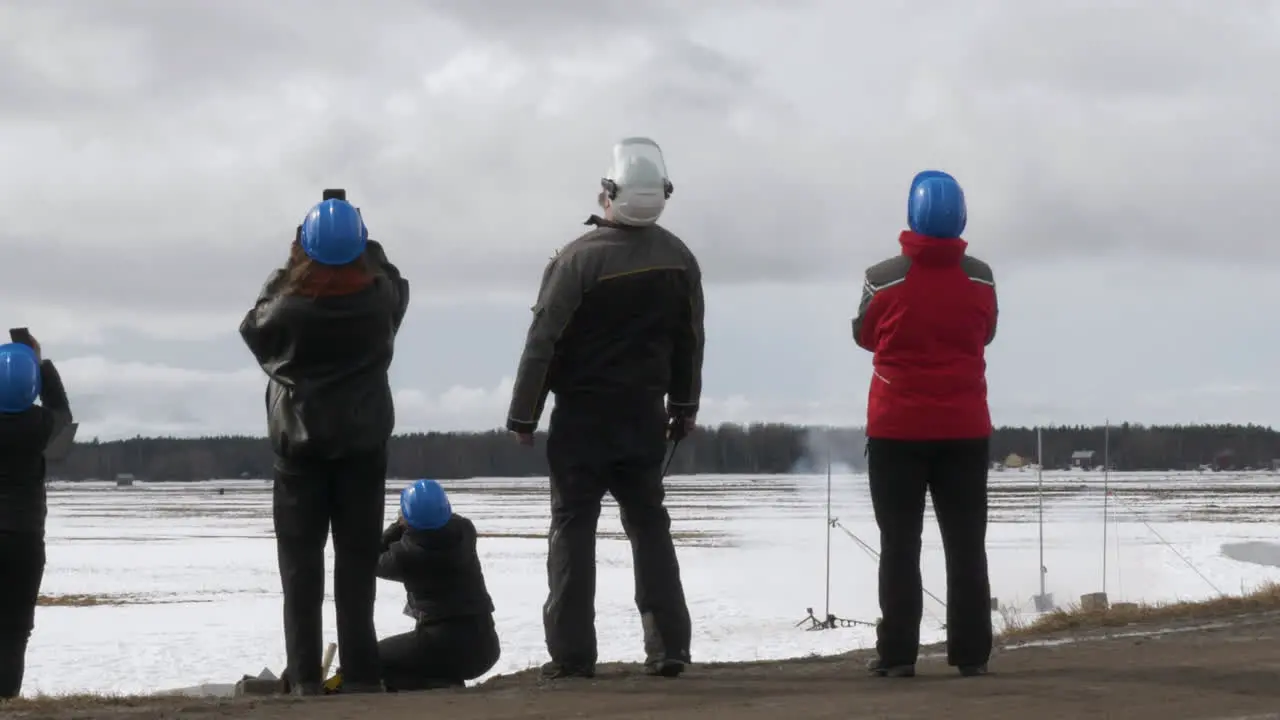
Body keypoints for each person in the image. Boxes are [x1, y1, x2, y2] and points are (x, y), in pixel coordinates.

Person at [505, 137, 704, 680]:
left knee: (572, 529)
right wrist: (684, 406)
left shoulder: (576, 260)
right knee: (649, 527)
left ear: (610, 193)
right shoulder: (679, 258)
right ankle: (669, 648)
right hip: (644, 415)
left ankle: (572, 657)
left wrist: (524, 415)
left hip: (582, 417)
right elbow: (690, 341)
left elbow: (543, 339)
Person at [239, 191, 410, 696]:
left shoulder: (286, 308)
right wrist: (367, 245)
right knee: (356, 569)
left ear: (303, 248)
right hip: (361, 451)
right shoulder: (379, 301)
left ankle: (307, 679)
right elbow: (396, 282)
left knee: (300, 572)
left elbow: (254, 323)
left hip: (299, 454)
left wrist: (288, 267)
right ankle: (360, 674)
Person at [851, 169, 997, 678]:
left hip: (896, 431)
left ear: (912, 214)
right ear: (960, 217)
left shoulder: (881, 277)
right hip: (964, 428)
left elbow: (864, 335)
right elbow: (988, 332)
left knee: (899, 543)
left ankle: (896, 656)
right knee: (965, 544)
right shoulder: (981, 278)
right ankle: (972, 653)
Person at [363, 479, 500, 692]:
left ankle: (436, 684)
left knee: (371, 659)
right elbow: (447, 523)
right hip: (485, 646)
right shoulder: (465, 531)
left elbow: (371, 559)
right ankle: (443, 679)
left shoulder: (404, 556)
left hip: (440, 643)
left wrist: (397, 526)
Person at [0, 335, 73, 699]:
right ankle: (7, 697)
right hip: (25, 540)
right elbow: (61, 410)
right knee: (15, 629)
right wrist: (41, 363)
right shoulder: (39, 424)